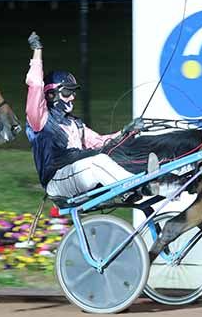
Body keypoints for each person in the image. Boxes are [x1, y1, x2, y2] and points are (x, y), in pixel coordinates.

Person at [24, 31, 143, 199]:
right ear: (51, 95)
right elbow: (36, 86)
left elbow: (101, 143)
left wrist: (126, 132)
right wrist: (37, 52)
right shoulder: (40, 121)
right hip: (56, 182)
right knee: (98, 162)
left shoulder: (75, 124)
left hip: (78, 175)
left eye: (73, 92)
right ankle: (132, 187)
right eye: (67, 92)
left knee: (109, 156)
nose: (72, 97)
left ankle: (149, 184)